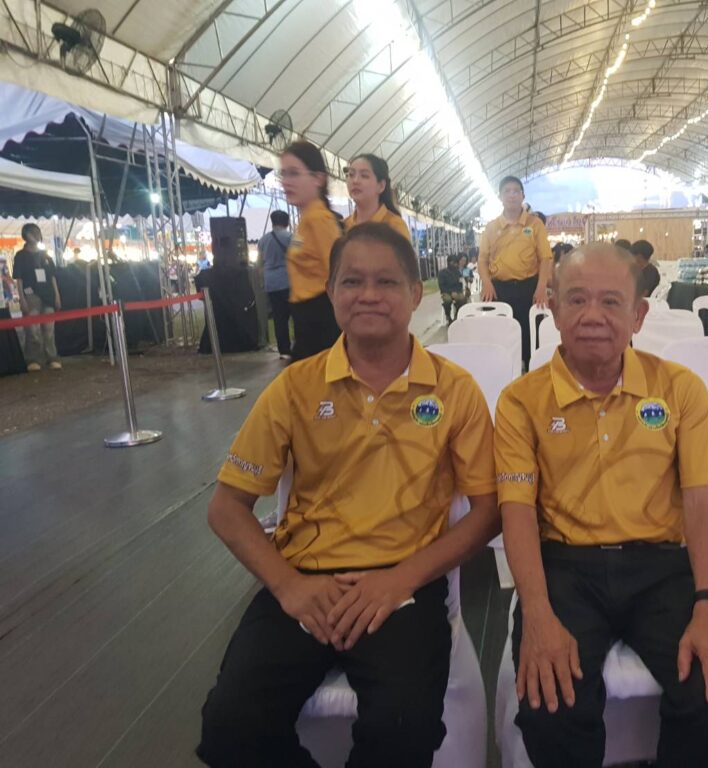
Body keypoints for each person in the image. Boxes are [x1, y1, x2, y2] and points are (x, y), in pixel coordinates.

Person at [197, 222, 500, 767]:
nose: (368, 295)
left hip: (403, 588)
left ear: (415, 294)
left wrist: (402, 579)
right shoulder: (296, 387)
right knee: (230, 726)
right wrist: (288, 585)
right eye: (352, 281)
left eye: (386, 282)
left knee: (403, 727)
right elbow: (226, 508)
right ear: (331, 292)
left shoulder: (454, 391)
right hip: (305, 580)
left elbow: (488, 511)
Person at [495, 242, 708, 768]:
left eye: (611, 302)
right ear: (552, 308)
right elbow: (516, 512)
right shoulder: (521, 401)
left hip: (661, 568)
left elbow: (701, 503)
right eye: (577, 299)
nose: (592, 316)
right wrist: (538, 614)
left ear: (638, 315)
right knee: (551, 706)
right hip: (565, 570)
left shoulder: (680, 389)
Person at [479, 176, 553, 368]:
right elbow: (482, 259)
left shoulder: (535, 224)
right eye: (507, 191)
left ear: (522, 196)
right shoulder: (492, 227)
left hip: (529, 289)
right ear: (500, 197)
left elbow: (545, 258)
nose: (511, 195)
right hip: (499, 290)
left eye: (516, 191)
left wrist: (541, 287)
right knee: (500, 339)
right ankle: (503, 375)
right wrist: (487, 283)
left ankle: (531, 374)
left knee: (531, 339)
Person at [281, 140, 344, 361]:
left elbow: (340, 274)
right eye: (283, 174)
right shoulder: (307, 219)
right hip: (307, 321)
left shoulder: (319, 220)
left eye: (294, 173)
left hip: (321, 322)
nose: (286, 182)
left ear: (318, 178)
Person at [12, 223, 62, 372]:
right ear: (25, 235)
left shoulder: (45, 255)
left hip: (48, 294)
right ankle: (33, 359)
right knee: (32, 329)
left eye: (37, 232)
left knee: (49, 328)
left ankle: (52, 357)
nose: (36, 235)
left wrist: (57, 295)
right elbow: (19, 279)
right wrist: (21, 298)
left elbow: (52, 277)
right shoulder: (20, 256)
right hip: (31, 295)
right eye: (32, 232)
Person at [343, 153, 413, 244]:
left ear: (381, 186)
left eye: (364, 176)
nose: (355, 181)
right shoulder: (343, 227)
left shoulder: (395, 226)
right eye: (351, 175)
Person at [258, 210, 293, 359]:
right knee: (296, 315)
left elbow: (260, 262)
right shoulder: (291, 237)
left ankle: (284, 351)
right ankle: (300, 346)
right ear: (287, 222)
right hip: (288, 280)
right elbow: (302, 255)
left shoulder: (262, 240)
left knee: (279, 318)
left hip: (271, 282)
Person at [438, 253, 469, 324]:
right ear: (449, 262)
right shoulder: (442, 273)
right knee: (447, 300)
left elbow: (460, 284)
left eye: (456, 263)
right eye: (453, 263)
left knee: (463, 299)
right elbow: (442, 286)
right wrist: (451, 292)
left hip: (456, 291)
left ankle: (456, 316)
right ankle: (448, 316)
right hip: (446, 292)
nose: (455, 265)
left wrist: (458, 292)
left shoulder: (457, 272)